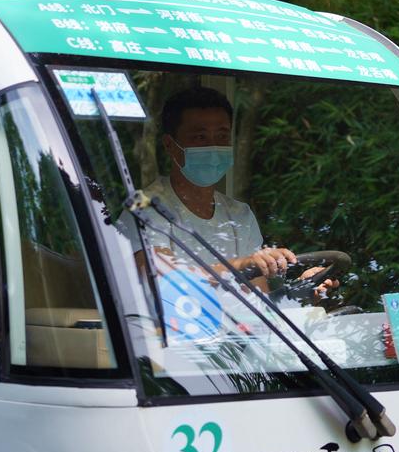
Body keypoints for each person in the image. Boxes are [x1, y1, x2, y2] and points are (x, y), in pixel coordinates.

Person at [119, 86, 337, 298]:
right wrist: (241, 265)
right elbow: (165, 281)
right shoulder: (145, 207)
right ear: (169, 145)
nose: (213, 147)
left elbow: (258, 301)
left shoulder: (240, 215)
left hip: (237, 325)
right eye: (200, 137)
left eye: (222, 136)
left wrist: (300, 293)